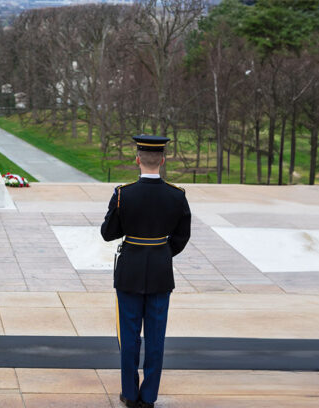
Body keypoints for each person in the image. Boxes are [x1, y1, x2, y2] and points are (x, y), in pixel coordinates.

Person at [100, 134, 191, 408]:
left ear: (137, 159)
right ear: (162, 160)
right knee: (155, 338)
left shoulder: (123, 194)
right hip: (161, 274)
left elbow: (108, 233)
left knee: (128, 337)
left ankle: (129, 393)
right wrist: (161, 253)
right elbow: (181, 237)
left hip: (129, 272)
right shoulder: (177, 195)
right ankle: (148, 397)